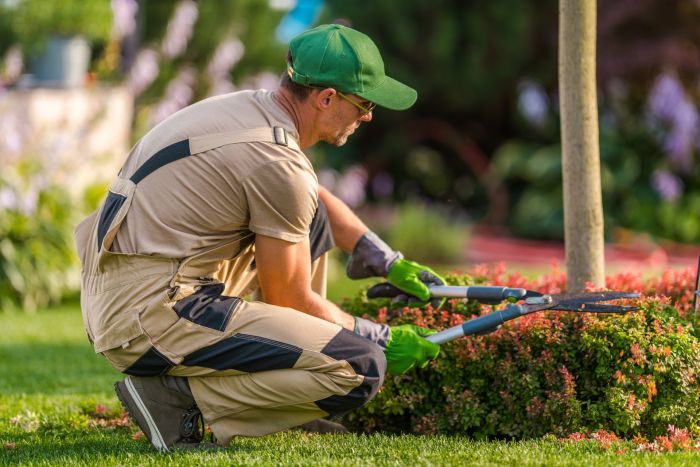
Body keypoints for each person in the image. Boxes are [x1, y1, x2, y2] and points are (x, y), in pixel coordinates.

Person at [75, 23, 444, 451]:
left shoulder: (251, 111)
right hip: (149, 314)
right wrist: (375, 335)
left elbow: (315, 202)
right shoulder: (278, 163)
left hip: (126, 292)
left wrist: (381, 256)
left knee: (312, 222)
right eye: (363, 104)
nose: (368, 116)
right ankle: (174, 401)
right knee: (360, 367)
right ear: (327, 98)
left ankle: (290, 400)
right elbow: (291, 298)